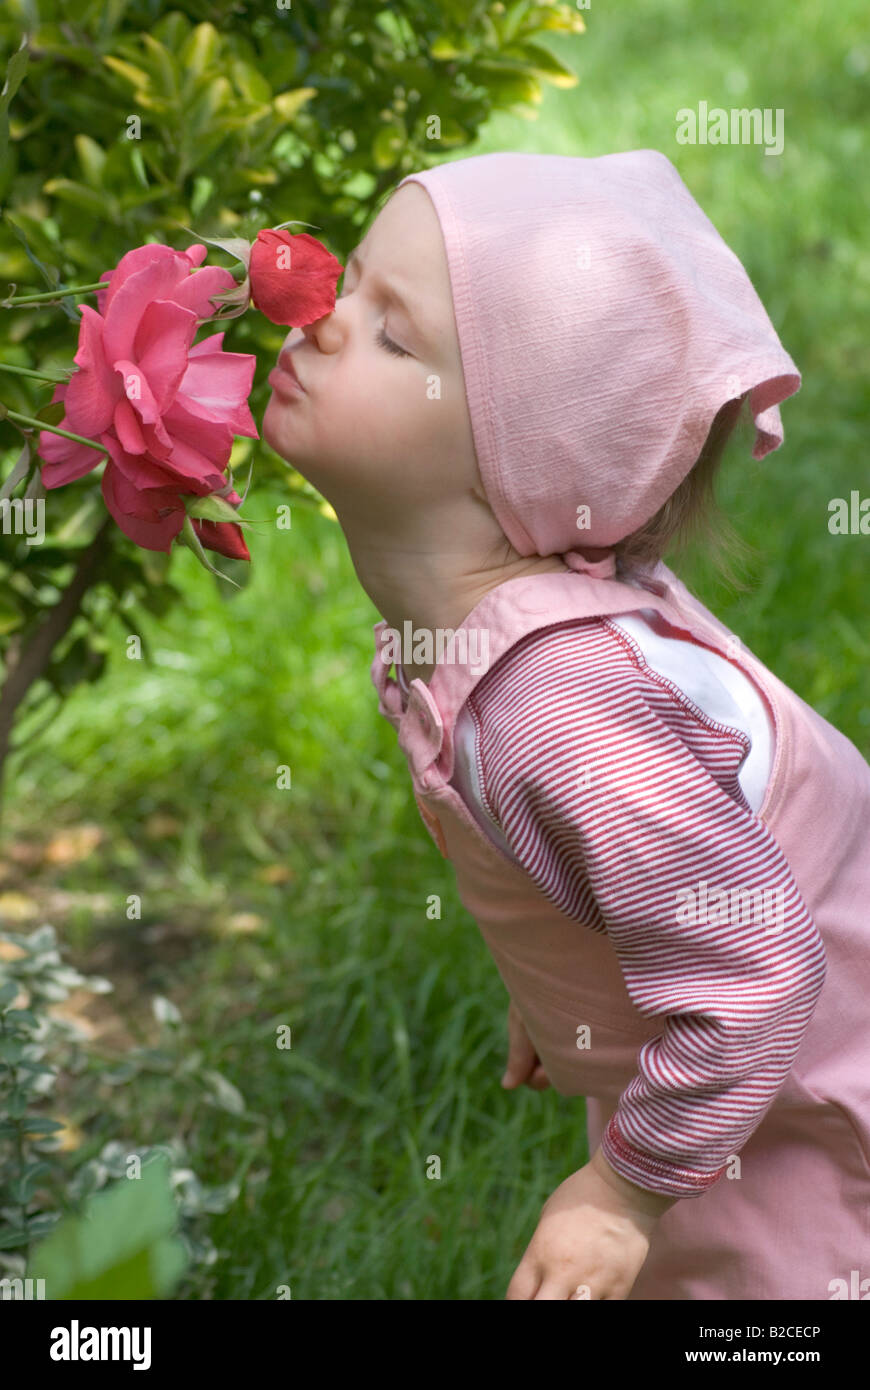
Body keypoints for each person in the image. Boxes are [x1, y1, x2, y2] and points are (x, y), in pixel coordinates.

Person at [262, 150, 870, 1301]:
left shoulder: (562, 714)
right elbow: (628, 864)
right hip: (729, 1046)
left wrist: (622, 1191)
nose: (321, 320)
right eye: (352, 284)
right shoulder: (463, 629)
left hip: (814, 1085)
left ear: (513, 465)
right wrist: (575, 969)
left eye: (397, 337)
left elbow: (755, 970)